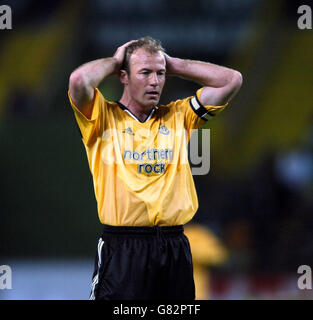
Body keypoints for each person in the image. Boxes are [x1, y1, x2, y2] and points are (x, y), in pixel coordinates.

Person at [68, 36, 242, 300]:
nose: (155, 81)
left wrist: (175, 65)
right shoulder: (101, 117)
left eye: (160, 74)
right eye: (145, 72)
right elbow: (79, 80)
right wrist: (115, 61)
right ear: (123, 77)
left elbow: (232, 80)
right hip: (124, 248)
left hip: (174, 248)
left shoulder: (179, 116)